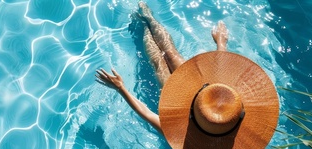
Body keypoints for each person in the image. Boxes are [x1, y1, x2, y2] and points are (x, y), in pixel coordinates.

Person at [95, 2, 279, 149]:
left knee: (167, 55)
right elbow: (147, 114)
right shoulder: (221, 114)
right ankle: (146, 22)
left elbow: (221, 71)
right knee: (159, 62)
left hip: (200, 85)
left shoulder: (226, 99)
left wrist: (221, 43)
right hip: (194, 98)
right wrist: (121, 88)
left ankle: (146, 20)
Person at [95, 2, 229, 134]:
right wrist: (221, 43)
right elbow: (221, 70)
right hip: (201, 88)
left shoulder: (180, 132)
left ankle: (145, 24)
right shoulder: (229, 110)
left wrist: (121, 88)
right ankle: (148, 17)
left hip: (179, 103)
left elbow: (147, 114)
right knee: (169, 54)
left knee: (159, 62)